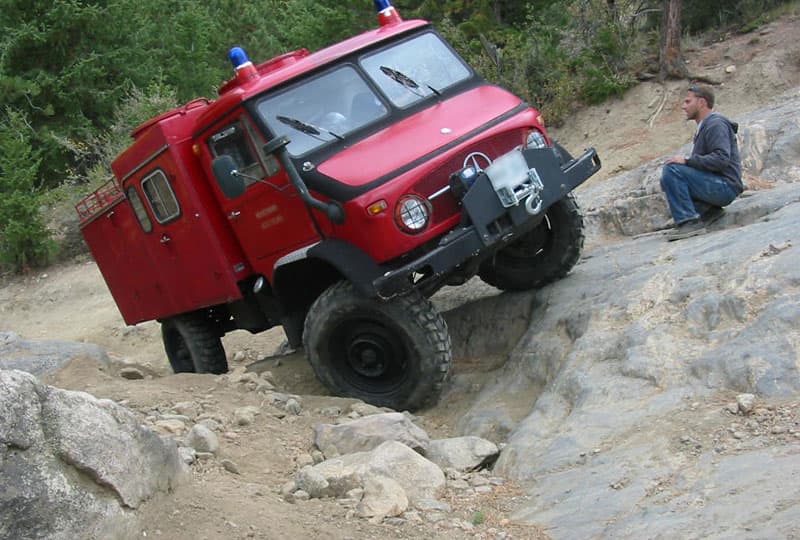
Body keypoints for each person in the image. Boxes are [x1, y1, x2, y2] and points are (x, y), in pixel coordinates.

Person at [660, 85, 743, 241]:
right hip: (719, 185)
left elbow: (721, 160)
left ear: (701, 103)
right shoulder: (705, 126)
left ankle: (689, 222)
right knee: (668, 176)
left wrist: (687, 161)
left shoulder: (715, 124)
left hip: (726, 186)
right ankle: (709, 211)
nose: (683, 106)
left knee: (672, 170)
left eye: (687, 101)